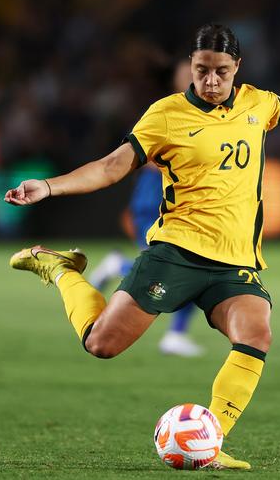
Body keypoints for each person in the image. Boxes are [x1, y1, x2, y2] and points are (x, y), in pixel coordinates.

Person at [5, 24, 280, 469]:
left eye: (221, 71)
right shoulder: (166, 115)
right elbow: (110, 167)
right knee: (101, 344)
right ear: (191, 67)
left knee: (256, 333)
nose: (212, 81)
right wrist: (48, 186)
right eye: (202, 70)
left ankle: (210, 442)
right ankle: (59, 268)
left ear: (237, 67)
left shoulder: (260, 104)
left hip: (234, 264)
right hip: (176, 253)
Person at [89, 59, 204, 357]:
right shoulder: (167, 113)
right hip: (157, 201)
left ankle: (176, 335)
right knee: (176, 269)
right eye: (192, 72)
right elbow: (147, 157)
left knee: (199, 266)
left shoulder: (205, 115)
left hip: (181, 206)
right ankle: (120, 267)